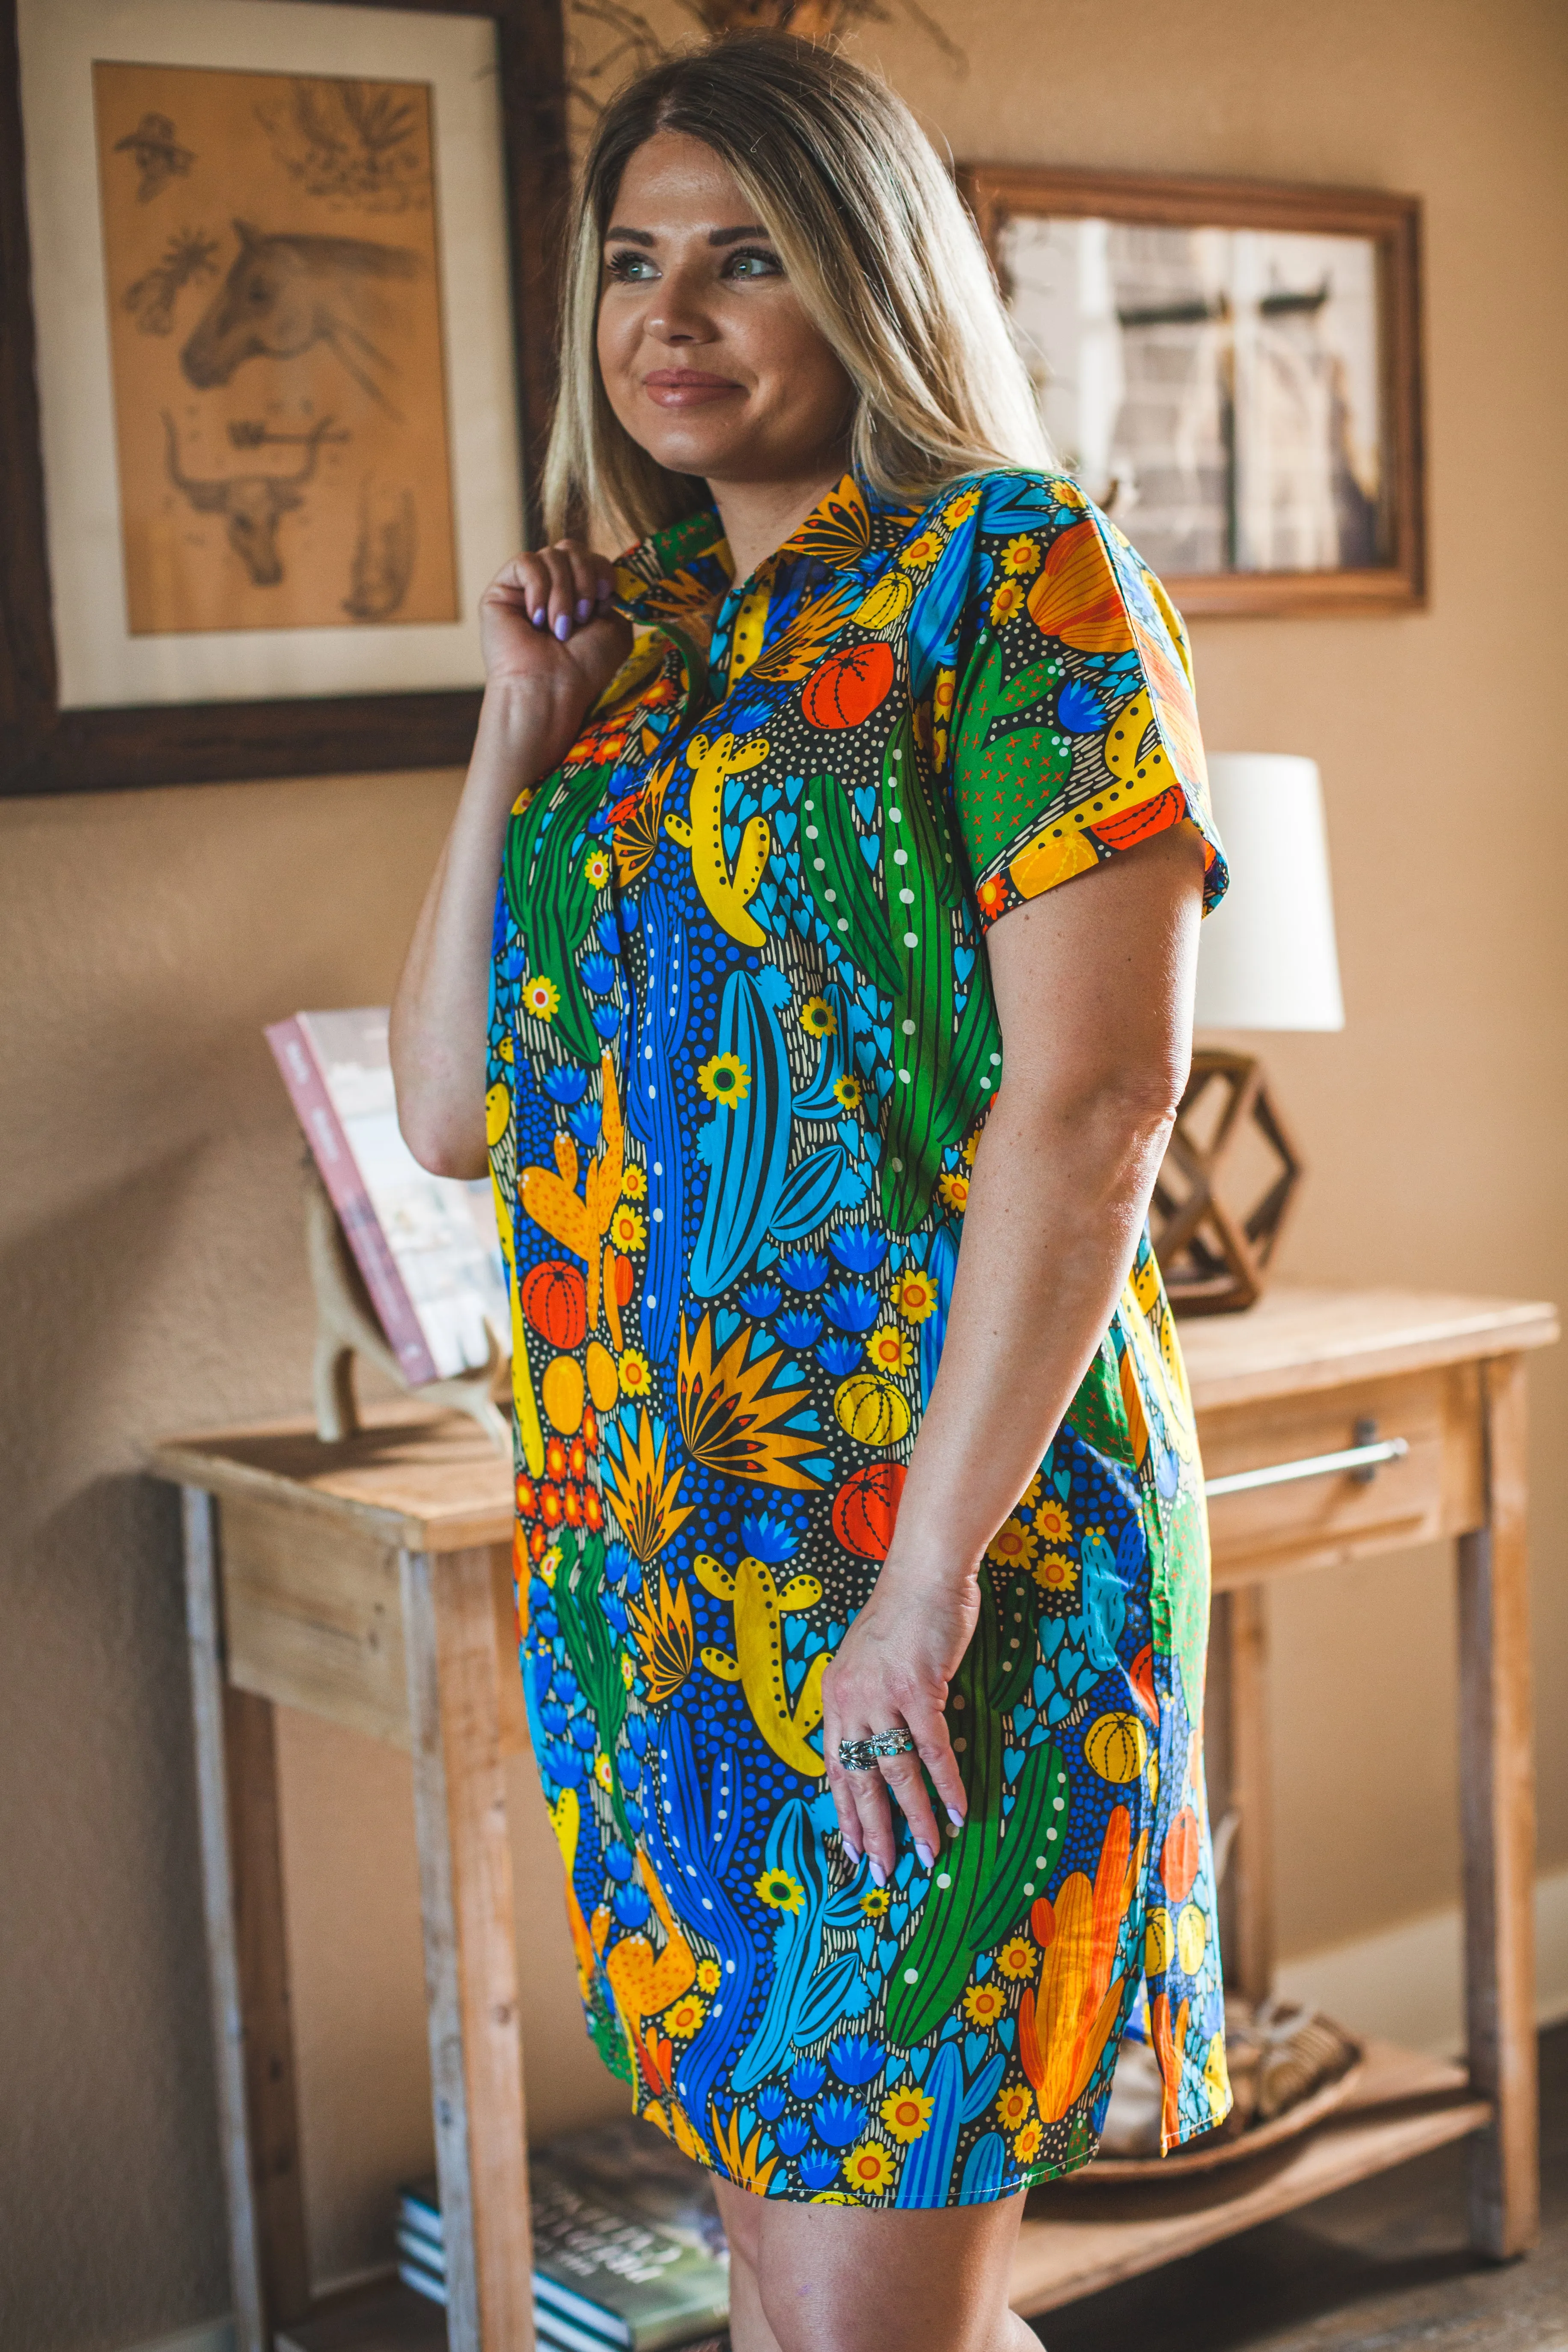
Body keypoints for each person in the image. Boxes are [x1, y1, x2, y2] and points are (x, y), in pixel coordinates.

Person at [392, 32, 1230, 2352]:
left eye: (744, 257)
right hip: (658, 1560)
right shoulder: (634, 649)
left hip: (929, 1551)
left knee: (873, 2278)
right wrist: (512, 727)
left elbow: (1092, 1106)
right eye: (634, 264)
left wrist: (924, 1588)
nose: (669, 316)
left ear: (866, 276)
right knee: (798, 2270)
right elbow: (457, 1109)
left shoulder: (1016, 578)